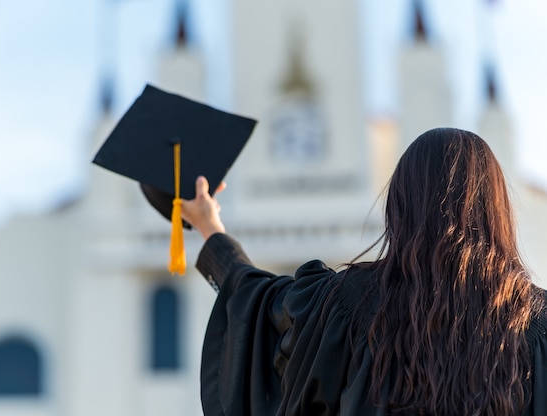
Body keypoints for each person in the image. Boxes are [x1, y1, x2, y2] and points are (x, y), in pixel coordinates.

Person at [181, 127, 547, 416]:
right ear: (497, 210)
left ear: (400, 206)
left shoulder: (345, 306)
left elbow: (258, 301)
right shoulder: (538, 325)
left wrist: (211, 229)